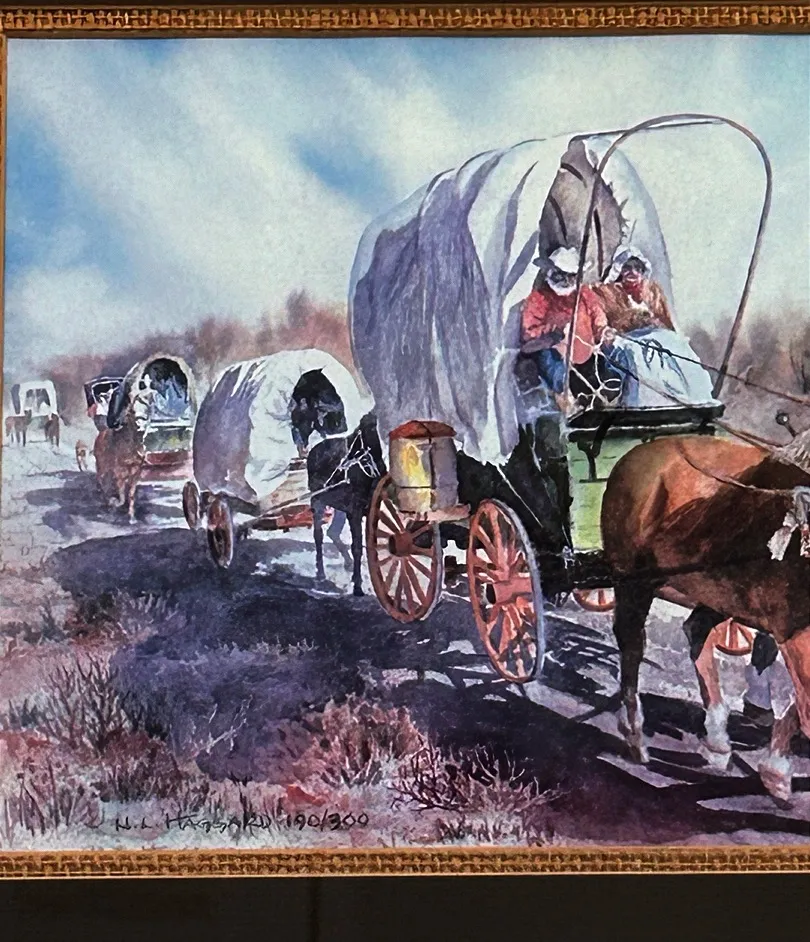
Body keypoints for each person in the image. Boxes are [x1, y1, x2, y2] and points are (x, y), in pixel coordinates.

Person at [520, 246, 621, 408]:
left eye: (570, 276)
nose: (566, 281)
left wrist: (604, 331)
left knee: (609, 371)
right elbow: (528, 333)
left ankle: (607, 402)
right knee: (554, 367)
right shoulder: (539, 298)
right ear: (551, 273)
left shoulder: (584, 293)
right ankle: (566, 400)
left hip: (585, 354)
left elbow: (597, 316)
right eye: (560, 275)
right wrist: (553, 331)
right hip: (556, 355)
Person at [596, 246, 675, 333]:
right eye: (627, 268)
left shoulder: (652, 290)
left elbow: (665, 319)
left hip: (656, 334)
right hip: (628, 337)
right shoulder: (609, 293)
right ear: (619, 270)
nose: (633, 272)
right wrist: (642, 320)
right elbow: (616, 322)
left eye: (637, 268)